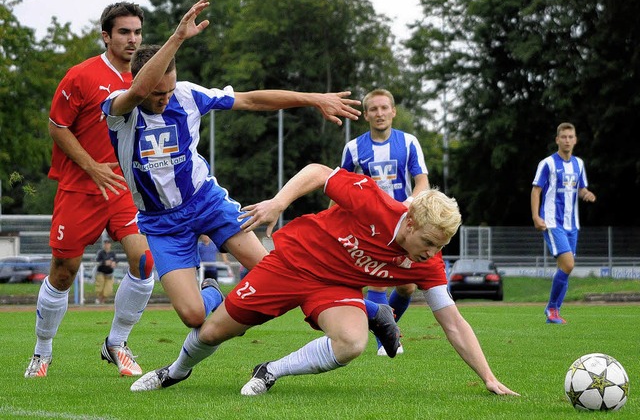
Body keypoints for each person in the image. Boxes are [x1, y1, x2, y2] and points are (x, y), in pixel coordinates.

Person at [129, 163, 519, 399]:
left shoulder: (427, 264)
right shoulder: (375, 202)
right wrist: (280, 202)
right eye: (430, 243)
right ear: (412, 221)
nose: (432, 254)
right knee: (212, 333)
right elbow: (318, 173)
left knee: (352, 343)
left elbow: (453, 322)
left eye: (441, 247)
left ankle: (270, 371)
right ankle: (175, 371)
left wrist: (488, 377)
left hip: (334, 290)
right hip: (292, 263)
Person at [100, 0, 362, 339]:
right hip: (161, 222)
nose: (164, 98)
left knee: (273, 269)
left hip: (205, 202)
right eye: (157, 93)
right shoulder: (119, 110)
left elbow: (251, 99)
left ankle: (369, 311)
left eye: (169, 90)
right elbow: (138, 91)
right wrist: (178, 36)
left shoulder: (188, 95)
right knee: (194, 316)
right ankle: (211, 292)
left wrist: (313, 98)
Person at [25, 2, 157, 379]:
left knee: (144, 261)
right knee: (64, 273)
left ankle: (116, 343)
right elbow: (57, 127)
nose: (132, 39)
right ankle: (42, 351)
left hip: (123, 191)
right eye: (124, 32)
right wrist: (91, 166)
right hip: (80, 188)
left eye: (137, 32)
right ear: (106, 36)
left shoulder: (146, 78)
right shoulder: (82, 75)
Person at [339, 88, 430, 356]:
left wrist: (409, 204)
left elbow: (422, 181)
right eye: (374, 109)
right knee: (378, 281)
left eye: (384, 108)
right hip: (371, 225)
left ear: (393, 112)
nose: (380, 113)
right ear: (366, 115)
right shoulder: (354, 147)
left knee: (407, 286)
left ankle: (386, 330)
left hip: (405, 222)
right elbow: (340, 186)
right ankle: (385, 343)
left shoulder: (409, 142)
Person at [531, 122, 596, 324]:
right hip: (552, 221)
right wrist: (536, 216)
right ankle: (552, 308)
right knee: (568, 264)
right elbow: (536, 190)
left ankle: (554, 312)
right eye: (564, 137)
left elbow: (581, 188)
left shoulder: (579, 164)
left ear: (575, 140)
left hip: (572, 224)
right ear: (557, 139)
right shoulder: (548, 164)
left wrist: (586, 194)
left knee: (566, 268)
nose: (567, 140)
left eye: (570, 137)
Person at [95, 239, 117, 304]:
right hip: (101, 272)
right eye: (105, 244)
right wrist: (104, 262)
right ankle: (100, 301)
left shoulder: (113, 253)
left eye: (108, 244)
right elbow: (96, 261)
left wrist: (114, 263)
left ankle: (102, 300)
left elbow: (116, 260)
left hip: (109, 273)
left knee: (108, 289)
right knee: (99, 287)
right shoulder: (100, 253)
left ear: (110, 245)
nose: (107, 245)